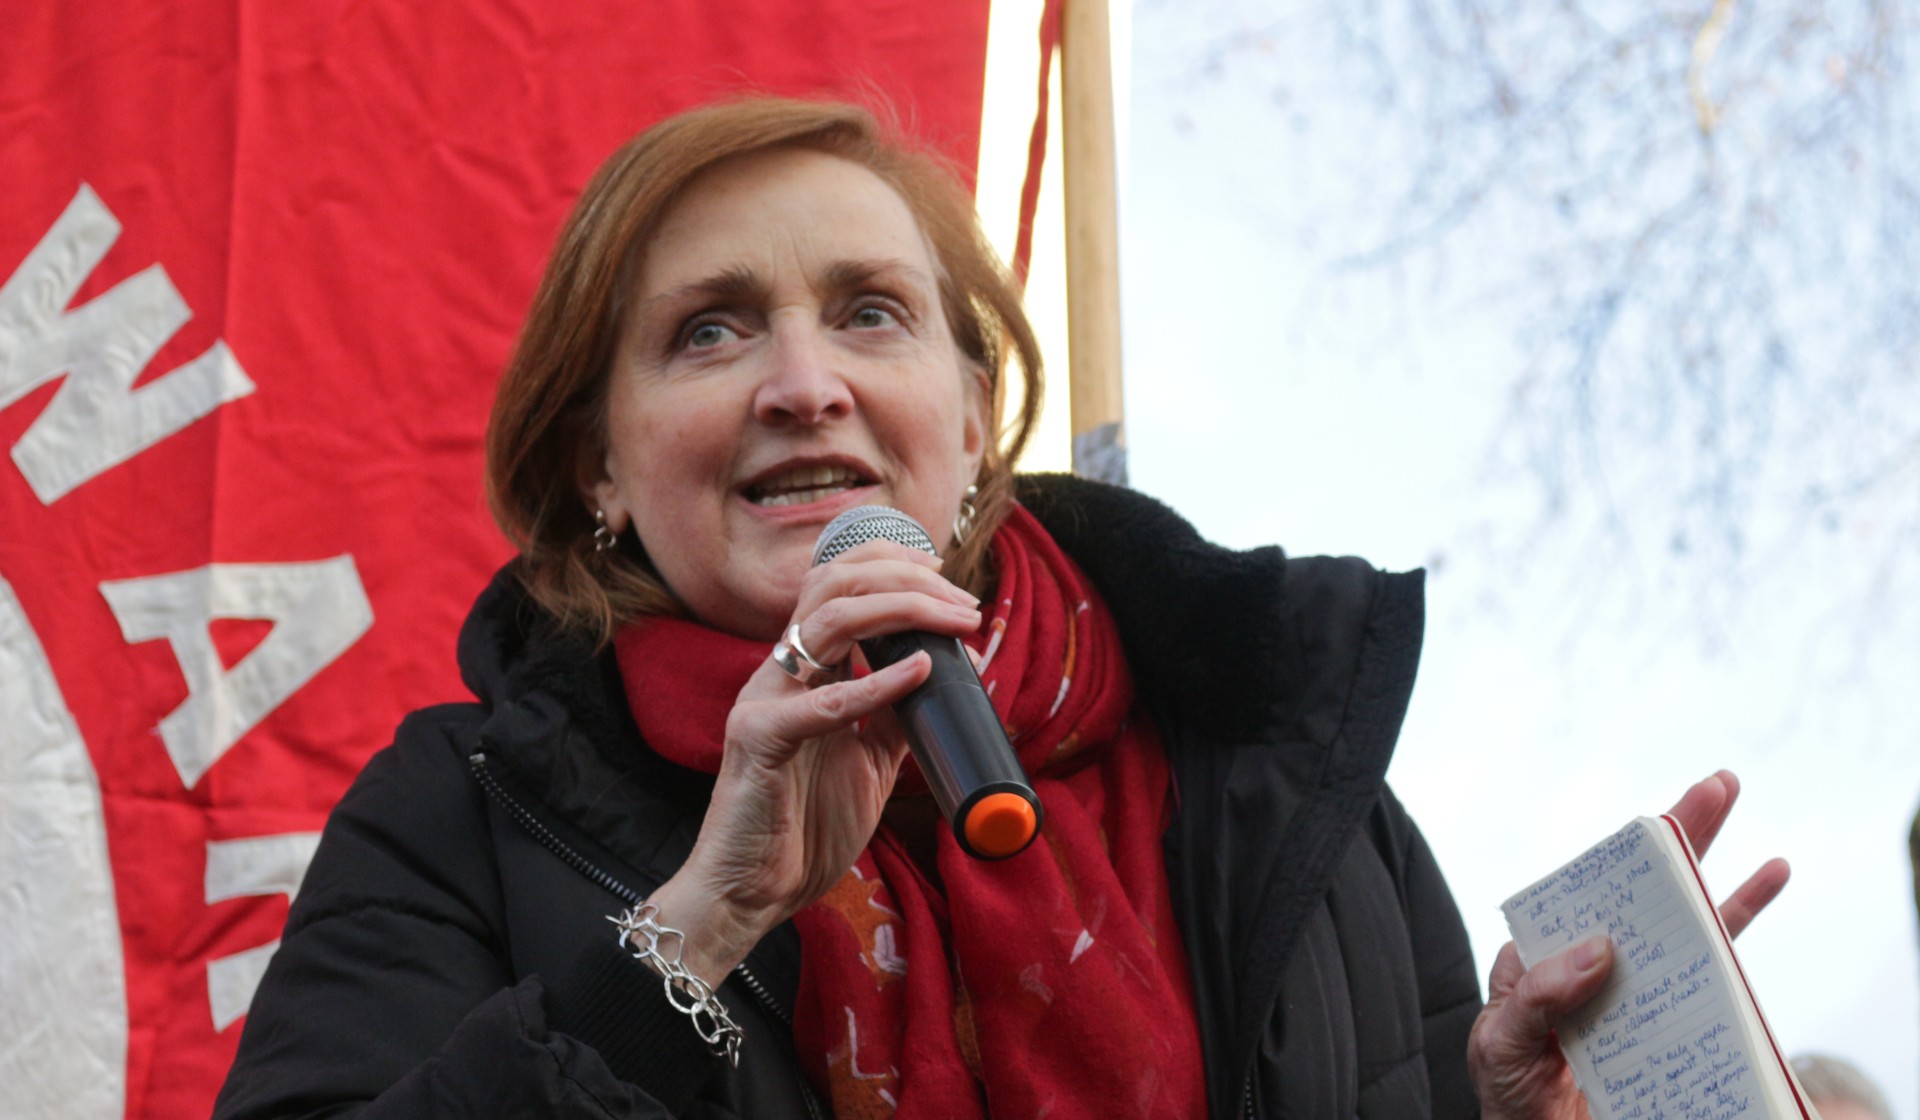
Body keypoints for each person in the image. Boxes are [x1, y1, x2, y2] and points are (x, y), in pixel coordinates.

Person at [213, 96, 1786, 1119]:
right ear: (600, 470)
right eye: (708, 333)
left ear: (971, 421)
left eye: (871, 313)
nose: (804, 382)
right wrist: (696, 926)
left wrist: (1515, 1108)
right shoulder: (461, 814)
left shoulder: (1282, 780)